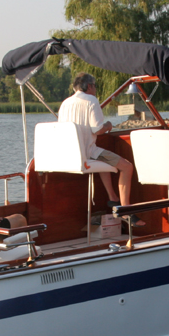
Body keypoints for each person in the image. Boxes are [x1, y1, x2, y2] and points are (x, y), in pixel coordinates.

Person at [57, 72, 145, 226]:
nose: (96, 89)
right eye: (95, 86)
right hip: (88, 152)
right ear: (90, 86)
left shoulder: (65, 103)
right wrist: (109, 126)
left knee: (105, 161)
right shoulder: (91, 100)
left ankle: (113, 198)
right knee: (127, 167)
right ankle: (125, 210)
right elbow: (97, 129)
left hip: (70, 154)